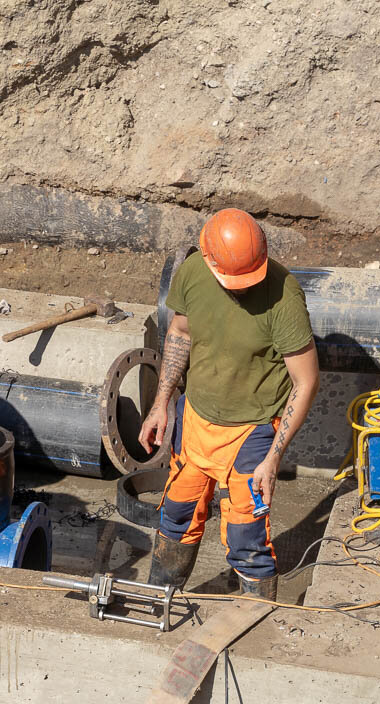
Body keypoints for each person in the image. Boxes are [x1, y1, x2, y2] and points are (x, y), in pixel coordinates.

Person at [137, 208, 320, 600]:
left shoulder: (285, 296)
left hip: (251, 432)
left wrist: (273, 457)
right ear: (208, 259)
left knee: (246, 539)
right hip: (195, 422)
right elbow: (180, 334)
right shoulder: (191, 273)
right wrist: (161, 403)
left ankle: (254, 623)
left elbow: (305, 382)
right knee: (176, 517)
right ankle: (159, 603)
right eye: (231, 280)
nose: (241, 288)